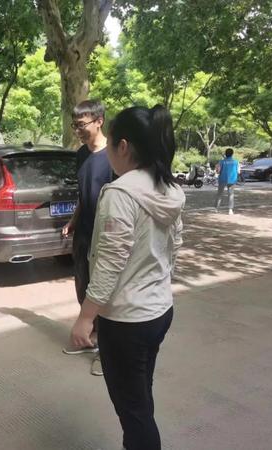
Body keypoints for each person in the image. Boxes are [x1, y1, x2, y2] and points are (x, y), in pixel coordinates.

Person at [70, 105, 184, 450]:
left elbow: (109, 263)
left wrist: (85, 318)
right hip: (159, 310)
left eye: (110, 145)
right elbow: (174, 245)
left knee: (133, 411)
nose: (107, 152)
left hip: (126, 320)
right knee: (140, 396)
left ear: (123, 146)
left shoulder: (120, 192)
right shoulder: (168, 187)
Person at [61, 100, 113, 375]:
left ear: (99, 121)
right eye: (75, 125)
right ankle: (88, 337)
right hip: (83, 232)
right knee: (82, 284)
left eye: (82, 125)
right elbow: (84, 194)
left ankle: (107, 352)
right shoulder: (81, 154)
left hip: (106, 234)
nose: (77, 130)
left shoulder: (115, 155)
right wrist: (73, 221)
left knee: (103, 292)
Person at [215, 148, 240, 215]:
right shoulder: (236, 162)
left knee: (219, 194)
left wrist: (216, 169)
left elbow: (218, 171)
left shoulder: (221, 162)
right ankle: (230, 210)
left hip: (222, 179)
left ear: (225, 154)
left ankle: (216, 209)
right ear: (232, 154)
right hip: (232, 179)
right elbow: (238, 171)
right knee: (231, 194)